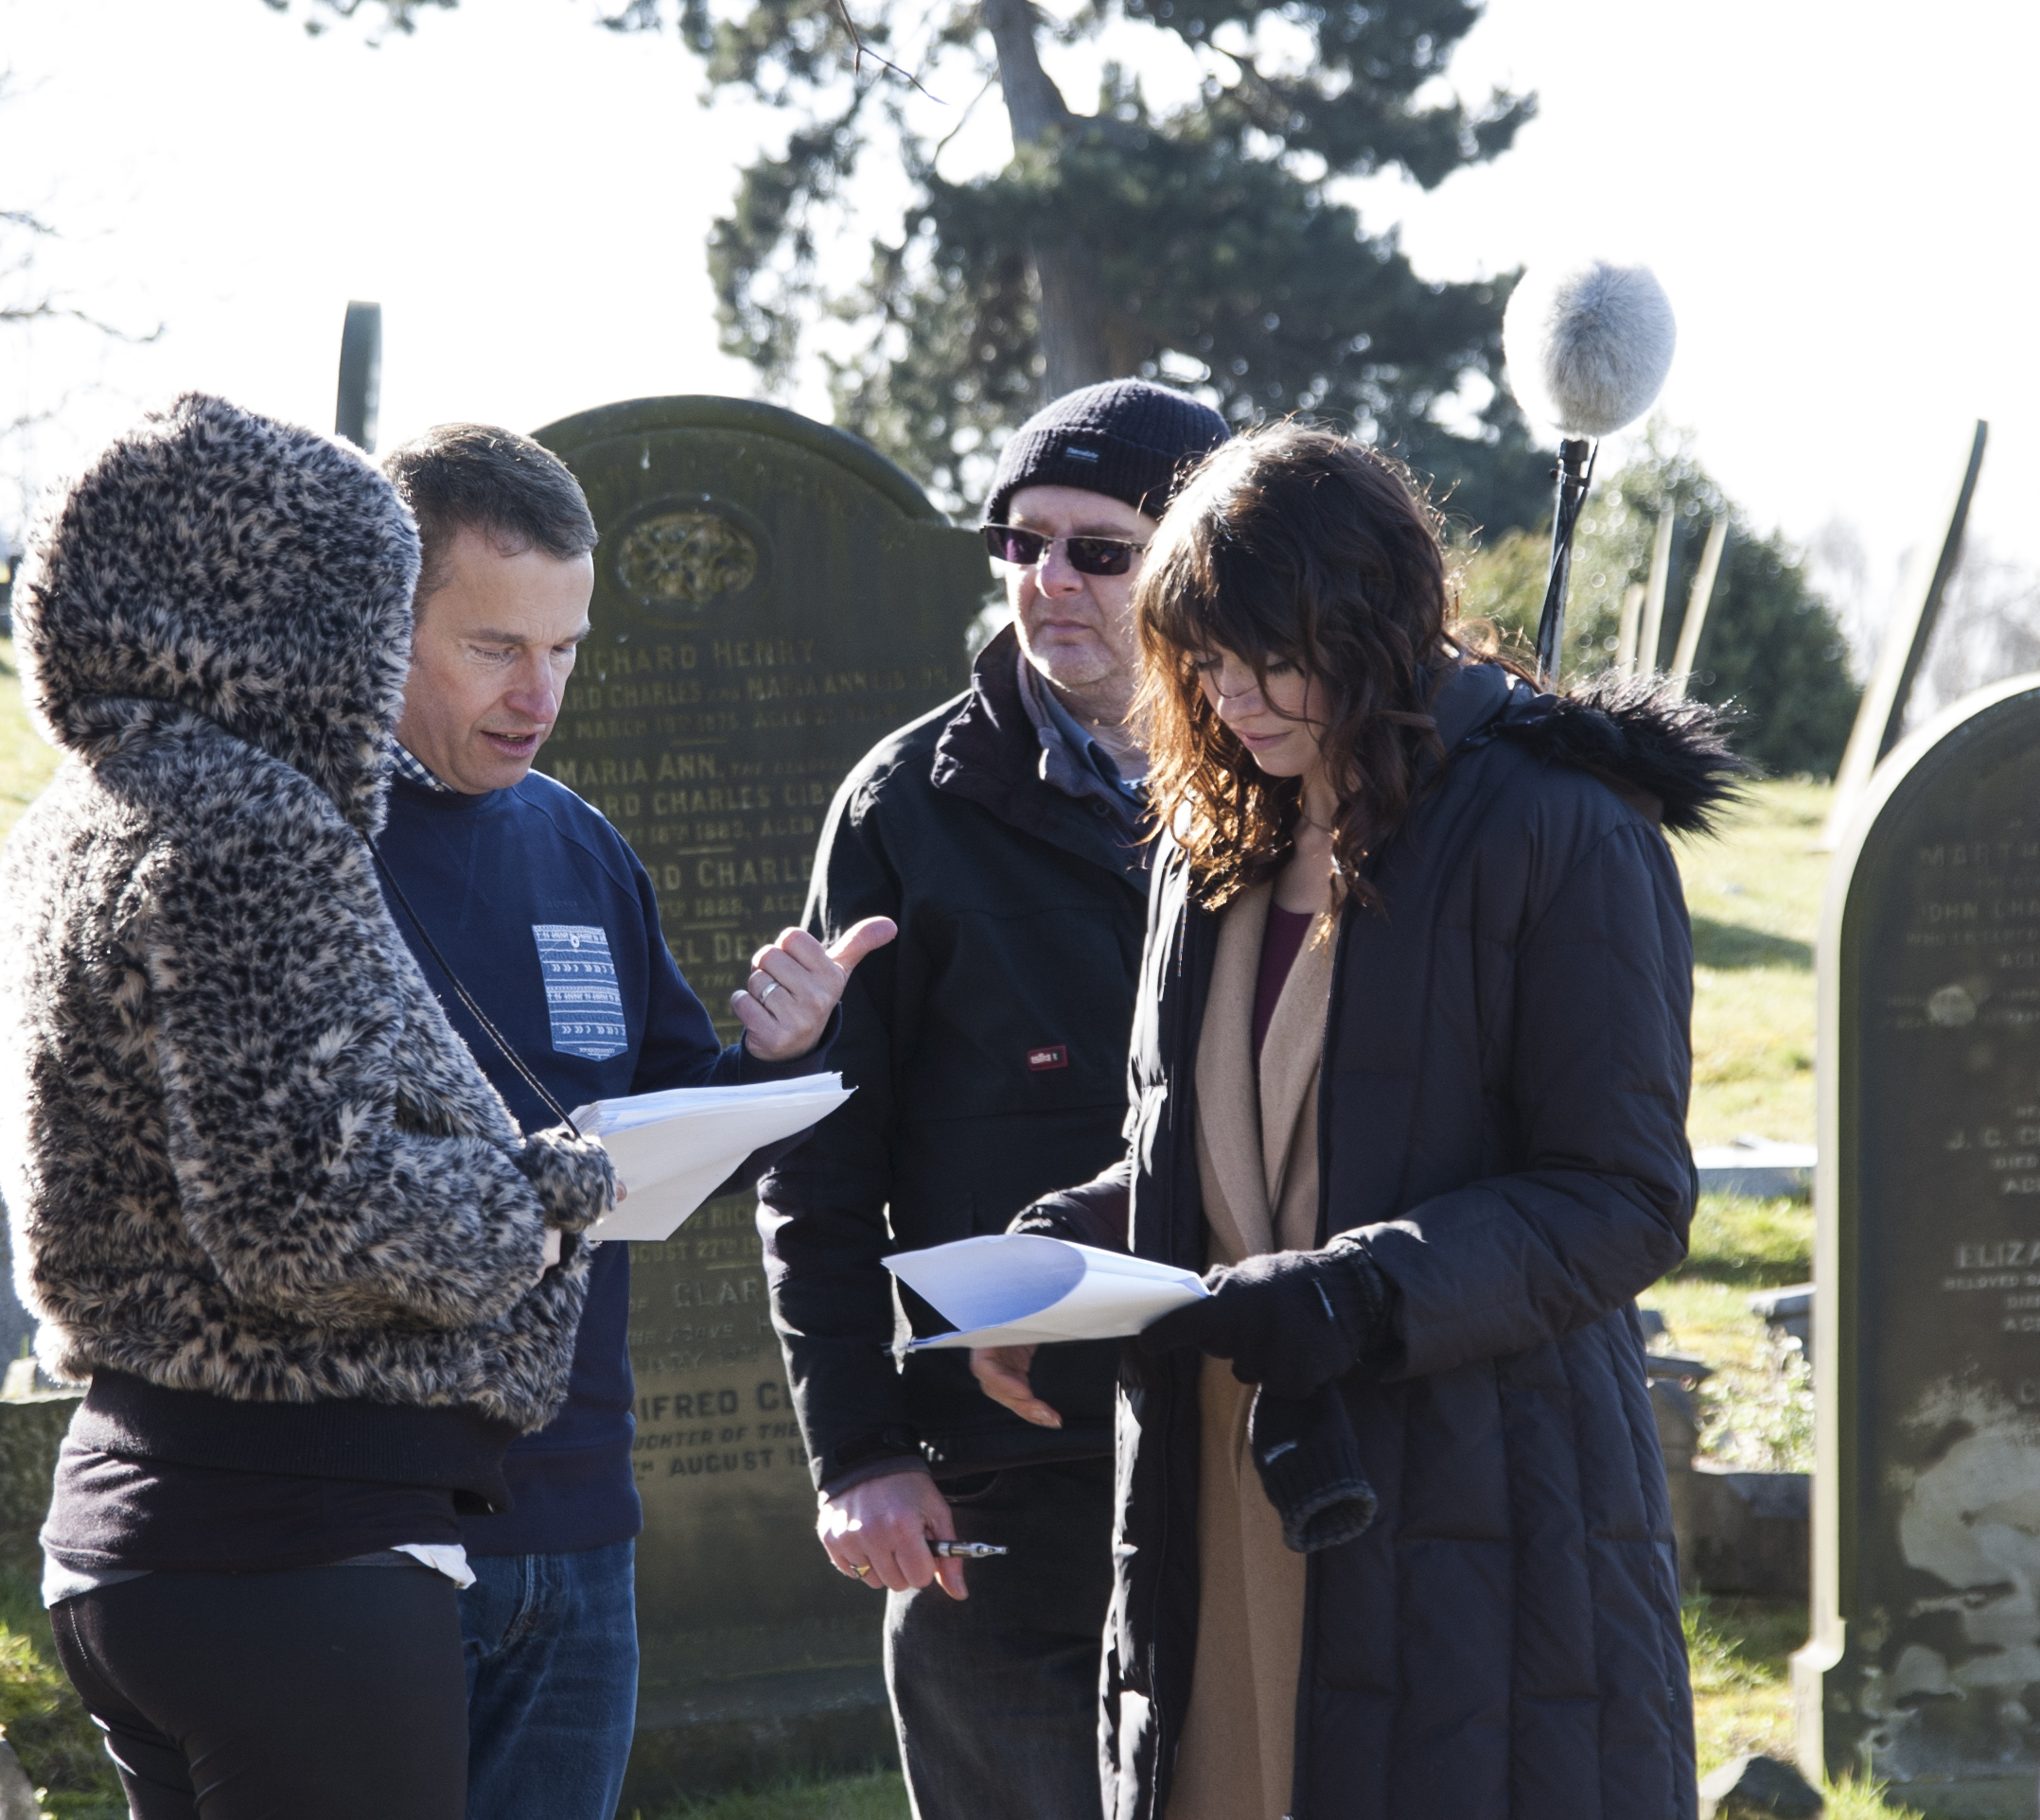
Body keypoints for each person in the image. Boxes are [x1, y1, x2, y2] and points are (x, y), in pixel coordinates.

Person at [974, 421, 1736, 1820]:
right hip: (1214, 1488)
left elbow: (1621, 1195)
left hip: (1471, 1504)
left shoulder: (1561, 825)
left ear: (1371, 622)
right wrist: (1066, 1249)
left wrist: (1356, 1296)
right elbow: (1230, 1146)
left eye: (1265, 653)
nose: (1229, 694)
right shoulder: (1219, 839)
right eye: (1198, 659)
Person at [0, 394, 621, 1819]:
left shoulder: (77, 812)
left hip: (139, 1529)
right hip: (293, 1542)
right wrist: (544, 1200)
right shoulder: (250, 824)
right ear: (311, 614)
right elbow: (302, 1215)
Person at [368, 421, 888, 1820]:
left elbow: (673, 1133)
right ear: (379, 620)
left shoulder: (577, 841)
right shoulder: (299, 847)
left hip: (585, 1518)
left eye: (568, 649)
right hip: (372, 1528)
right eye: (494, 647)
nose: (540, 694)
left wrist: (778, 1057)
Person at [757, 378, 1230, 1819]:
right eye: (1020, 541)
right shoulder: (905, 807)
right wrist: (862, 1451)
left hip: (1252, 1427)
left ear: (1196, 563)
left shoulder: (1291, 774)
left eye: (1101, 547)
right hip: (1003, 1470)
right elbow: (820, 1165)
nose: (1048, 581)